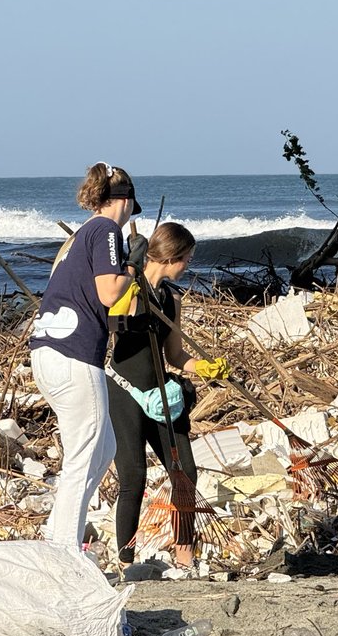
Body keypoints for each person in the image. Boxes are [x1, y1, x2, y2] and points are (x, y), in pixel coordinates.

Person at [30, 161, 145, 550]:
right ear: (125, 201)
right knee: (81, 459)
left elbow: (95, 304)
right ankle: (63, 554)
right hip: (74, 357)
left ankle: (55, 534)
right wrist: (132, 264)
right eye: (132, 206)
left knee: (104, 448)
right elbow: (110, 293)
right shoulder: (106, 229)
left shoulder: (78, 237)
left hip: (48, 353)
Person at [106, 222, 231, 570]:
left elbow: (175, 355)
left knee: (185, 472)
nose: (188, 264)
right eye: (187, 258)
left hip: (162, 395)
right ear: (172, 256)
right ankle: (126, 561)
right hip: (124, 391)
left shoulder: (172, 299)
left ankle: (184, 551)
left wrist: (204, 368)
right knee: (133, 477)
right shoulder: (127, 290)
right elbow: (111, 320)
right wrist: (130, 283)